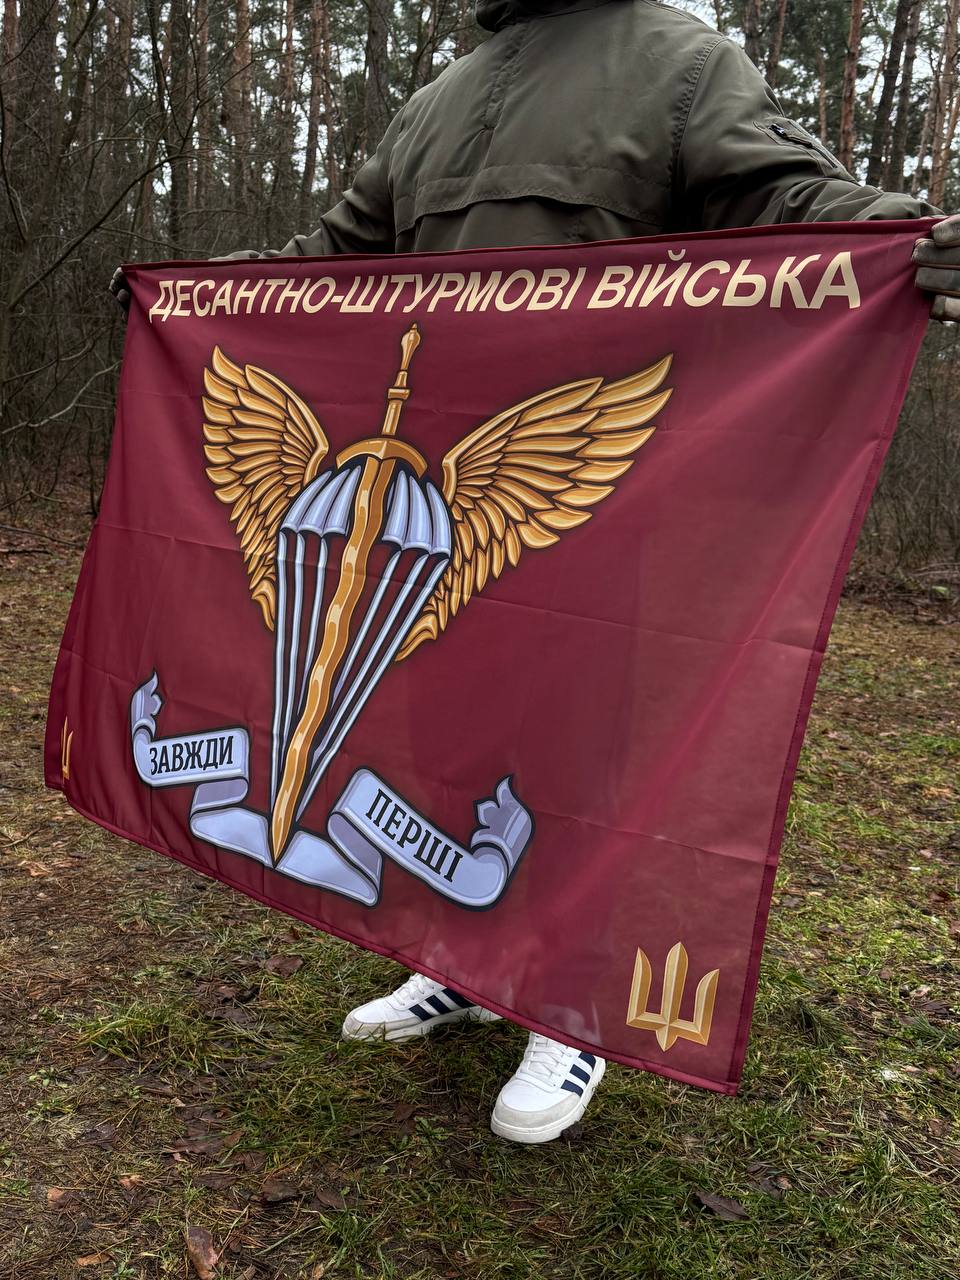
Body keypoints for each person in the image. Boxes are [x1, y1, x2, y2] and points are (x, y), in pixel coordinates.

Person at [112, 0, 960, 1144]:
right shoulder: (442, 98)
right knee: (442, 745)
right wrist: (205, 296)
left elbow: (786, 197)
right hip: (435, 519)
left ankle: (569, 1005)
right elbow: (338, 262)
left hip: (590, 510)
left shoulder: (676, 61)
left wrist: (906, 233)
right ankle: (460, 960)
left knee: (581, 754)